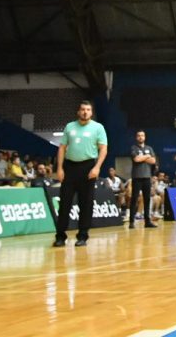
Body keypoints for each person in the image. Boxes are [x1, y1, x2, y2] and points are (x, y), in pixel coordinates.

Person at [53, 101, 107, 247]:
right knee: (65, 203)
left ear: (91, 112)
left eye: (88, 109)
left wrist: (97, 168)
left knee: (86, 204)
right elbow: (62, 148)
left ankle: (82, 236)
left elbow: (103, 149)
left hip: (88, 168)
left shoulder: (98, 127)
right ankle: (60, 236)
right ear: (78, 112)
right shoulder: (69, 126)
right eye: (82, 109)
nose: (85, 112)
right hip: (69, 168)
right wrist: (60, 168)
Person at [129, 130, 156, 229]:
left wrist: (142, 157)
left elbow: (153, 161)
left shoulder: (149, 148)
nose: (141, 137)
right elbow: (136, 159)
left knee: (147, 199)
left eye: (142, 135)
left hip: (147, 177)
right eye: (139, 135)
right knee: (134, 199)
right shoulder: (133, 148)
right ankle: (131, 222)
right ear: (136, 137)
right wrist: (147, 156)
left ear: (145, 137)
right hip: (137, 177)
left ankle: (147, 221)